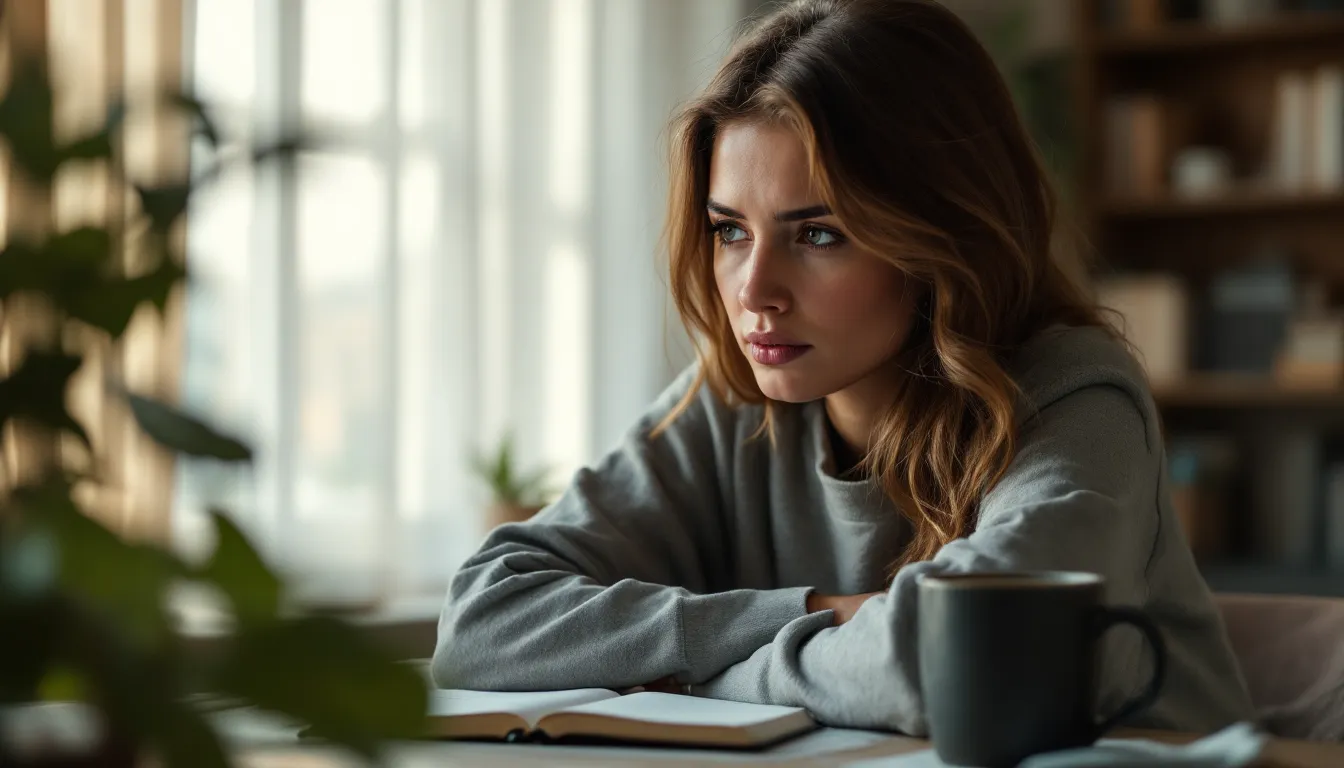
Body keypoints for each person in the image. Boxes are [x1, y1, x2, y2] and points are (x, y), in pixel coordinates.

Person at [432, 0, 1253, 734]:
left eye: (818, 233)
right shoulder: (728, 403)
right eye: (729, 230)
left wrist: (702, 673)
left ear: (941, 237)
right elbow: (482, 623)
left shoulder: (1076, 398)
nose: (754, 291)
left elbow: (958, 661)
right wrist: (819, 612)